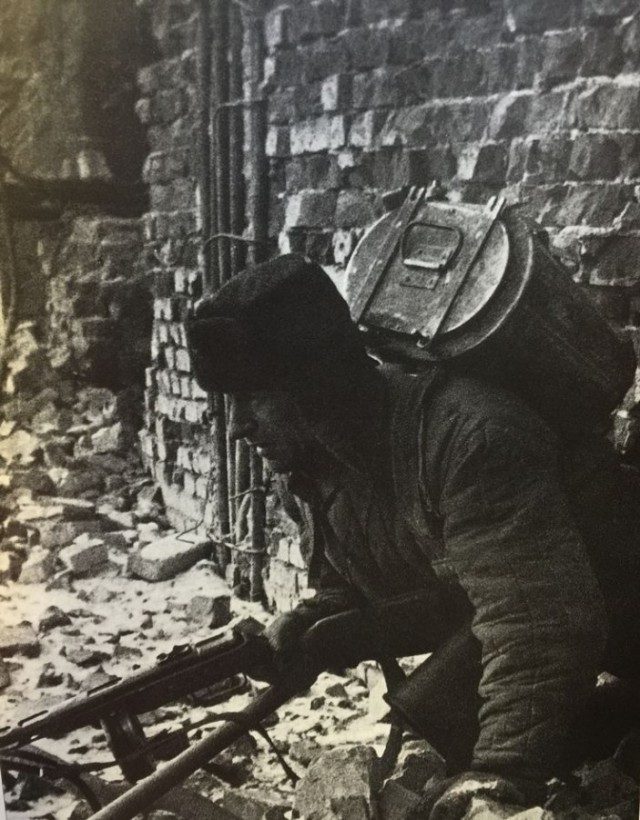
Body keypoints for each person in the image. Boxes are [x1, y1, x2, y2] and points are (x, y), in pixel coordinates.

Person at [186, 253, 640, 819]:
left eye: (254, 397)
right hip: (588, 629)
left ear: (314, 383)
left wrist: (499, 774)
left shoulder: (468, 436)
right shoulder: (312, 465)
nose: (237, 427)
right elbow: (368, 580)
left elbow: (538, 622)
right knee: (436, 713)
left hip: (605, 617)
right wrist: (310, 625)